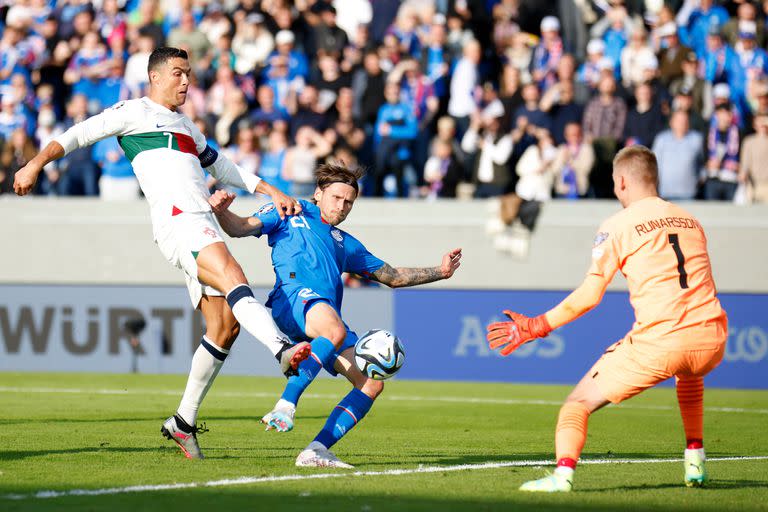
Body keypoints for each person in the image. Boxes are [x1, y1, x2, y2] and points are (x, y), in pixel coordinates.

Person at [13, 47, 314, 460]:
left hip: (199, 220)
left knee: (224, 326)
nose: (186, 81)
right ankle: (281, 349)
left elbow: (225, 167)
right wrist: (33, 165)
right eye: (178, 73)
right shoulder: (131, 111)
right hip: (179, 221)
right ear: (155, 77)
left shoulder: (189, 126)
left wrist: (272, 190)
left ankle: (183, 422)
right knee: (232, 274)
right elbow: (76, 135)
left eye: (188, 74)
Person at [487, 145, 728, 492]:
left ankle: (562, 476)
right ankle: (695, 460)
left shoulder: (618, 224)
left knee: (577, 405)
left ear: (622, 182)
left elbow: (589, 296)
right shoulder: (690, 219)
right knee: (689, 374)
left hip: (660, 342)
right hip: (712, 336)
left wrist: (537, 326)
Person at [208, 162, 462, 468]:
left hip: (323, 317)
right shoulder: (292, 209)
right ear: (319, 193)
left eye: (349, 202)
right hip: (292, 300)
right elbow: (241, 228)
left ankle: (315, 451)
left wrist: (441, 271)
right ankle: (286, 405)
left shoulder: (346, 244)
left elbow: (392, 276)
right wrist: (222, 212)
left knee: (371, 383)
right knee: (335, 330)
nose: (341, 207)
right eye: (336, 198)